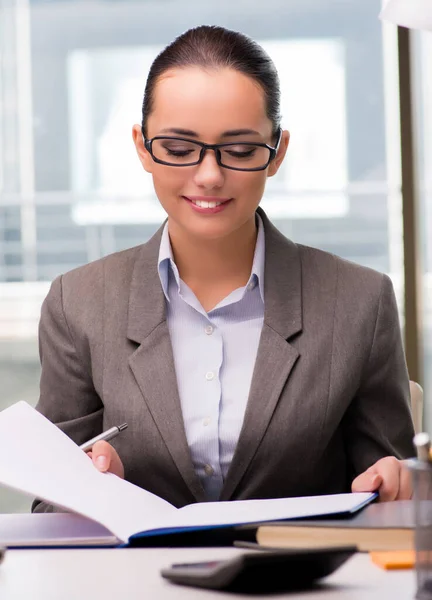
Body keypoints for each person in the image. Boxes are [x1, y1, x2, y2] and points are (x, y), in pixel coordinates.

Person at [33, 25, 415, 513]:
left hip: (300, 583)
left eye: (239, 151)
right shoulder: (79, 303)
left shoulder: (360, 302)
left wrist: (396, 482)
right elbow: (48, 507)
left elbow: (394, 488)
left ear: (277, 152)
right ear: (141, 145)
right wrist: (94, 487)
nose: (209, 176)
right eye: (177, 148)